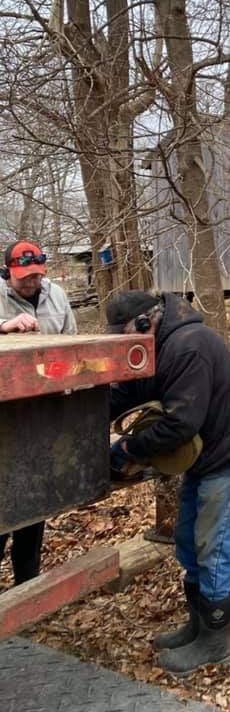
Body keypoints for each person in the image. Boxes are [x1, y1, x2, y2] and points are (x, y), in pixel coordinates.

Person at [105, 290, 230, 678]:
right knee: (189, 541)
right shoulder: (154, 347)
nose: (126, 343)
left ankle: (216, 643)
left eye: (128, 334)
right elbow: (129, 392)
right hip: (202, 457)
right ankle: (197, 625)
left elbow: (180, 423)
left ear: (148, 322)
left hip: (226, 455)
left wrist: (128, 448)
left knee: (213, 547)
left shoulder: (187, 347)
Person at [0, 240, 77, 585]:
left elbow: (72, 340)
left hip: (46, 412)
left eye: (35, 276)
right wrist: (4, 327)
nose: (30, 283)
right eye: (23, 278)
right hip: (5, 417)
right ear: (8, 273)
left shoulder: (56, 296)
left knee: (35, 502)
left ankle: (27, 583)